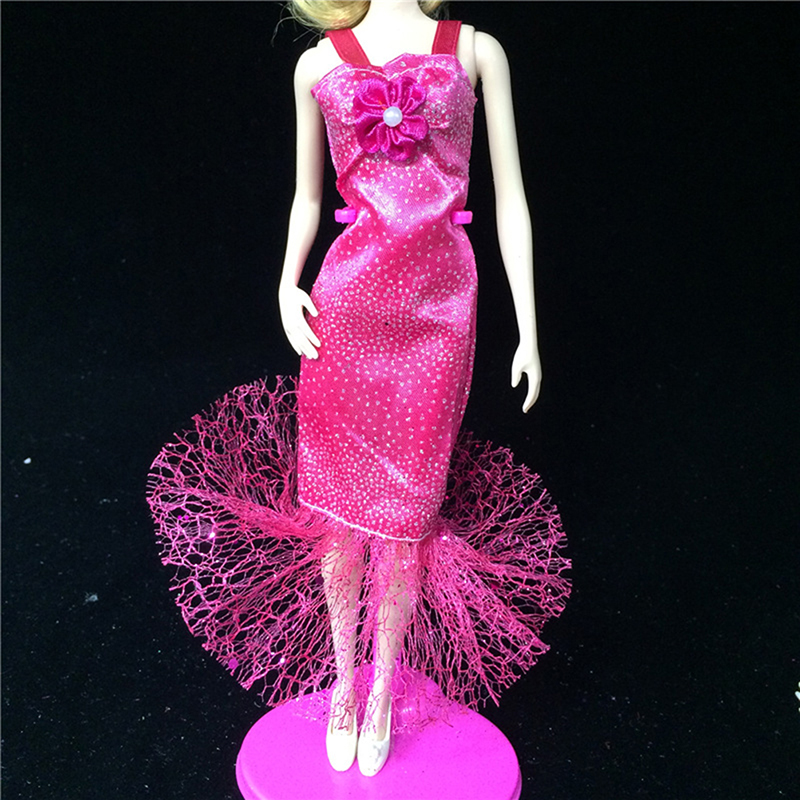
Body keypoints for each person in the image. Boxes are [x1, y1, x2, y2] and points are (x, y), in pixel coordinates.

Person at [147, 0, 570, 779]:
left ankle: (382, 690)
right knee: (339, 512)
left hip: (440, 307)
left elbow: (513, 200)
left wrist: (529, 328)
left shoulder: (476, 50)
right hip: (348, 305)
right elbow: (308, 198)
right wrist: (285, 285)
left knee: (409, 514)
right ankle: (346, 680)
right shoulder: (318, 63)